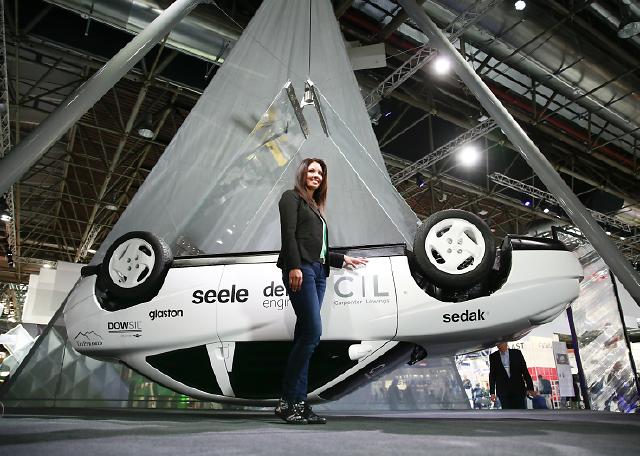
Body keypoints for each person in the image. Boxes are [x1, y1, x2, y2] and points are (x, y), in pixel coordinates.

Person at [274, 157, 367, 424]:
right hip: (301, 270)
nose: (317, 175)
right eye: (312, 170)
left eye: (321, 173)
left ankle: (298, 403)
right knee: (312, 334)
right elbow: (289, 235)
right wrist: (294, 267)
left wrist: (342, 259)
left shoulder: (315, 206)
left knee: (305, 336)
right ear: (302, 173)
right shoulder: (291, 198)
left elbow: (318, 248)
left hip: (318, 273)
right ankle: (288, 401)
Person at [489, 342, 536, 409]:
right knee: (508, 413)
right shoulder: (493, 356)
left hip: (518, 390)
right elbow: (492, 375)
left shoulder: (516, 353)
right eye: (498, 344)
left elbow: (525, 371)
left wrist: (530, 388)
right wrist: (492, 392)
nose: (499, 345)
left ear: (506, 343)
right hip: (503, 392)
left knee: (521, 411)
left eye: (501, 343)